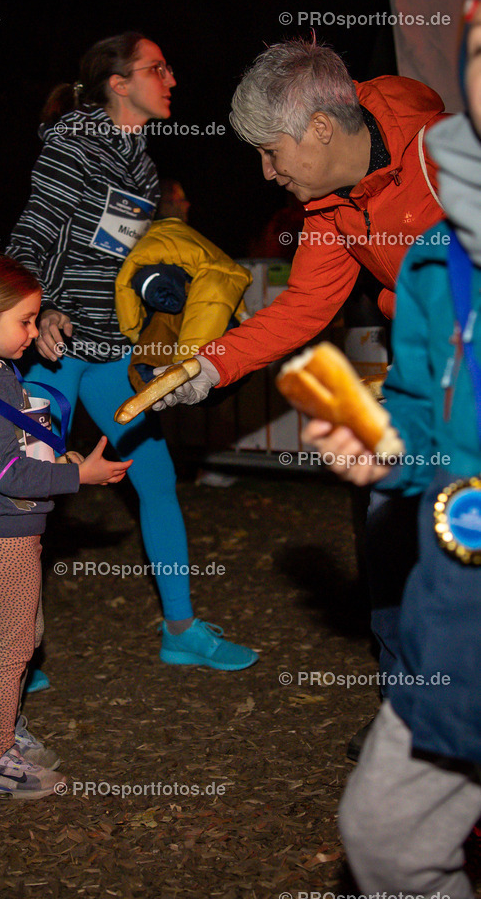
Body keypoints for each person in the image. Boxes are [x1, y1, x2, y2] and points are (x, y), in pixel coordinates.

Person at [153, 39, 447, 713]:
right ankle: (407, 718)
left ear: (320, 128)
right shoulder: (329, 203)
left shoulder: (442, 157)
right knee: (389, 533)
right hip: (423, 367)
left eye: (269, 150)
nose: (264, 172)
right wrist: (209, 364)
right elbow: (308, 304)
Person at [304, 0, 481, 897]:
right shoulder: (436, 263)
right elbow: (423, 412)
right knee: (381, 836)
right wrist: (383, 444)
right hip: (462, 615)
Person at [7, 31, 257, 671]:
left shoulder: (141, 163)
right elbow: (33, 232)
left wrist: (160, 286)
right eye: (157, 68)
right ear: (119, 83)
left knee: (157, 480)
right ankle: (6, 656)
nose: (171, 78)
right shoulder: (74, 141)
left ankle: (180, 629)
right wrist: (37, 311)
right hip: (54, 353)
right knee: (24, 499)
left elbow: (122, 256)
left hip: (113, 351)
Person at [0, 253, 131, 799]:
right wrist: (78, 476)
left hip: (6, 537)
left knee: (23, 640)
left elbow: (10, 452)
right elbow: (8, 473)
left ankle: (4, 730)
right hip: (1, 541)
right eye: (26, 320)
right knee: (11, 655)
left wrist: (60, 462)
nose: (34, 331)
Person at [115, 180, 252, 391]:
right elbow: (218, 285)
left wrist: (133, 328)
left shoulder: (174, 239)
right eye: (182, 200)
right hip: (203, 334)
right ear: (166, 204)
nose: (187, 205)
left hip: (175, 333)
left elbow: (125, 282)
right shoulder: (177, 238)